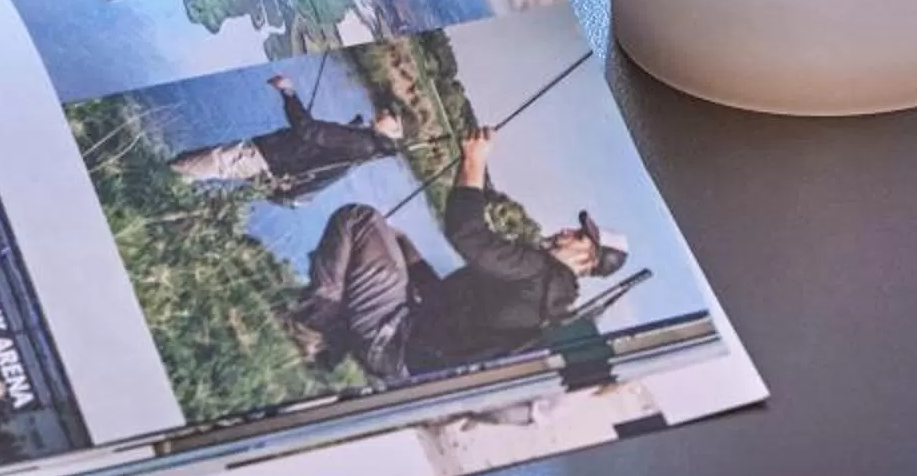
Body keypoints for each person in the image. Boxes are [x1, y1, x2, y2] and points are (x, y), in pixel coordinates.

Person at [292, 128, 626, 381]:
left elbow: (466, 233)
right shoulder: (550, 300)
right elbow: (445, 304)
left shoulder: (539, 270)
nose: (568, 231)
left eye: (580, 236)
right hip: (406, 364)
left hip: (392, 341)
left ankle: (318, 330)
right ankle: (331, 337)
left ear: (588, 261)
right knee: (397, 240)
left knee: (358, 219)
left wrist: (474, 161)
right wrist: (408, 251)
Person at [171, 73, 405, 198]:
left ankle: (164, 181)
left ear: (396, 130)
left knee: (191, 165)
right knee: (206, 171)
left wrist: (288, 92)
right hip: (275, 170)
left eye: (390, 113)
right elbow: (325, 147)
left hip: (267, 157)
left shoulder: (361, 141)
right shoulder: (368, 147)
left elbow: (307, 130)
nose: (384, 111)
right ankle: (173, 190)